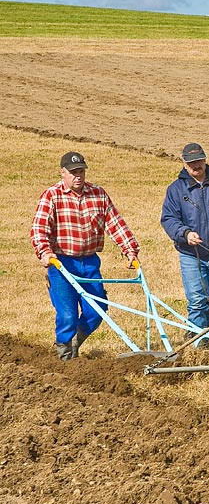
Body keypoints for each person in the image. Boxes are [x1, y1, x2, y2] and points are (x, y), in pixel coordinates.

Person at [31, 151, 140, 361]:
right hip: (61, 263)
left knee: (97, 310)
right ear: (62, 173)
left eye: (81, 171)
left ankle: (74, 342)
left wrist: (130, 250)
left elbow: (115, 224)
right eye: (73, 172)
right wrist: (45, 252)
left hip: (89, 262)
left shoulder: (97, 194)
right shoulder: (52, 195)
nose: (78, 176)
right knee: (68, 315)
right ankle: (64, 355)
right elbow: (39, 228)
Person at [160, 143, 209, 339]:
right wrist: (185, 233)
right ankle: (197, 344)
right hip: (191, 256)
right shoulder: (176, 190)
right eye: (191, 162)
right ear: (184, 164)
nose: (196, 165)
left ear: (205, 160)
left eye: (199, 160)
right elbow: (169, 218)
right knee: (197, 302)